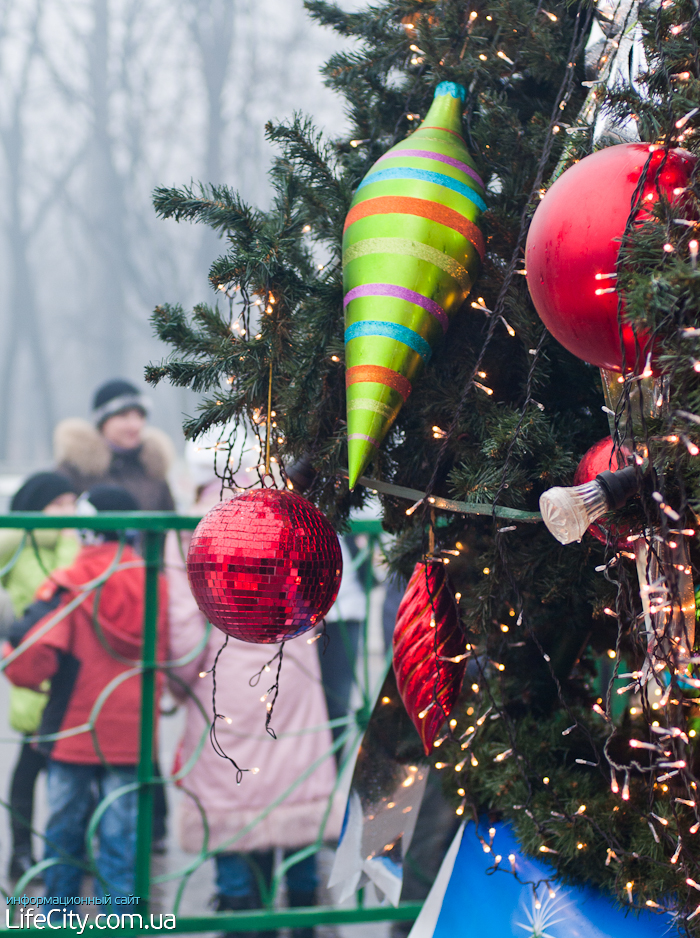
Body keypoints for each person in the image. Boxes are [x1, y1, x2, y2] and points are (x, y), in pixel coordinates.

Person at [165, 438, 341, 938]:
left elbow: (182, 627)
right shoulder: (285, 514)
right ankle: (303, 909)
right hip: (290, 676)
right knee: (296, 794)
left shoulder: (191, 529)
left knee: (233, 807)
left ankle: (244, 915)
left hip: (221, 687)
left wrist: (177, 687)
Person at [3, 485, 168, 909]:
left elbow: (32, 657)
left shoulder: (69, 581)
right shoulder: (155, 580)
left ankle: (59, 917)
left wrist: (11, 659)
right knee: (122, 835)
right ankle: (123, 918)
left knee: (64, 830)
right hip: (134, 731)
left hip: (74, 726)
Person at [0, 472, 79, 881]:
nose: (67, 513)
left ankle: (68, 857)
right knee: (29, 770)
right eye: (58, 505)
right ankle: (19, 852)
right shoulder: (18, 542)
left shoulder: (75, 541)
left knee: (73, 778)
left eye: (71, 503)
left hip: (72, 673)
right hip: (34, 671)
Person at [54, 378, 175, 511]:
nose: (135, 425)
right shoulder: (76, 469)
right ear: (102, 422)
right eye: (123, 416)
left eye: (140, 416)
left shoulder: (152, 468)